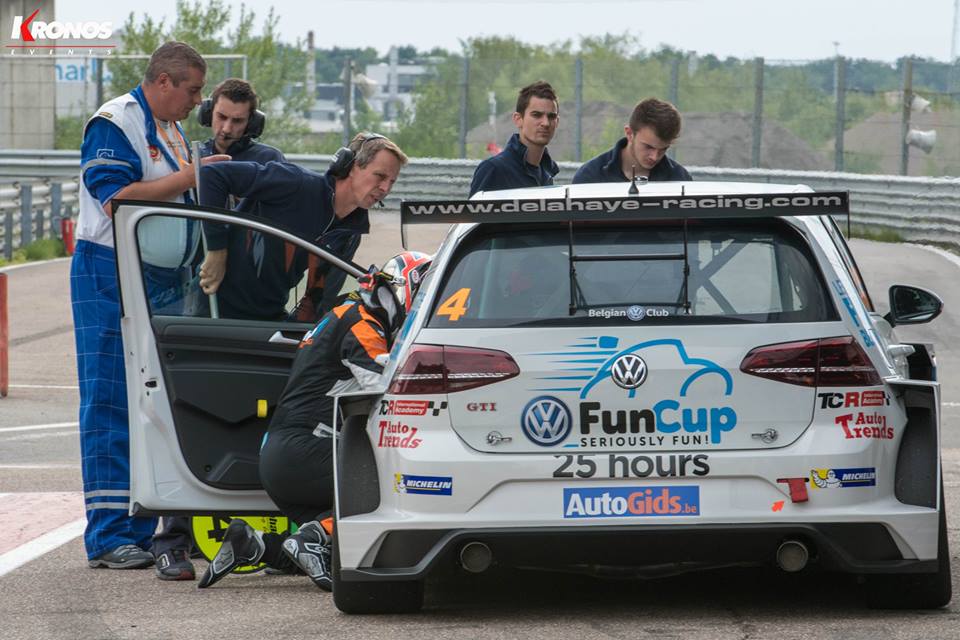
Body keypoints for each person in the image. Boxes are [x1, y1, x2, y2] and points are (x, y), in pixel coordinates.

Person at [71, 41, 229, 576]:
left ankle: (141, 525)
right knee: (110, 399)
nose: (198, 101)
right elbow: (114, 198)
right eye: (193, 90)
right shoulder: (115, 122)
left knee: (151, 403)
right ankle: (108, 534)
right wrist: (189, 178)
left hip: (160, 278)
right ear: (164, 81)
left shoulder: (170, 127)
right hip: (109, 271)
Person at [197, 252, 432, 591]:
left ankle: (251, 544)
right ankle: (316, 533)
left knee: (344, 551)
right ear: (404, 289)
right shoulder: (361, 321)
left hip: (283, 454)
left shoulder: (344, 313)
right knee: (398, 478)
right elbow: (388, 387)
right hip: (305, 450)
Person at [150, 77, 287, 581]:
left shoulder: (268, 163)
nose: (228, 128)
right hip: (199, 307)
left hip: (254, 312)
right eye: (222, 117)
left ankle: (272, 538)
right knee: (189, 416)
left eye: (239, 121)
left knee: (255, 421)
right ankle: (171, 539)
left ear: (254, 122)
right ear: (210, 112)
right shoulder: (193, 157)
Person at [196, 133, 408, 321]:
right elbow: (212, 175)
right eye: (380, 176)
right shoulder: (295, 184)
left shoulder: (350, 234)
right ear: (351, 166)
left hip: (267, 319)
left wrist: (297, 335)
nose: (385, 188)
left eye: (392, 182)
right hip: (214, 309)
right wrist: (217, 250)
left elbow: (318, 300)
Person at [469, 80, 560, 196]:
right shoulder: (494, 169)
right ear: (518, 119)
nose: (545, 123)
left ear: (557, 122)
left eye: (551, 117)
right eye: (536, 115)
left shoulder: (547, 175)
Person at [572, 97, 691, 184]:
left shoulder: (679, 179)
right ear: (629, 133)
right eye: (648, 147)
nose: (654, 157)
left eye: (663, 149)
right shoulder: (591, 177)